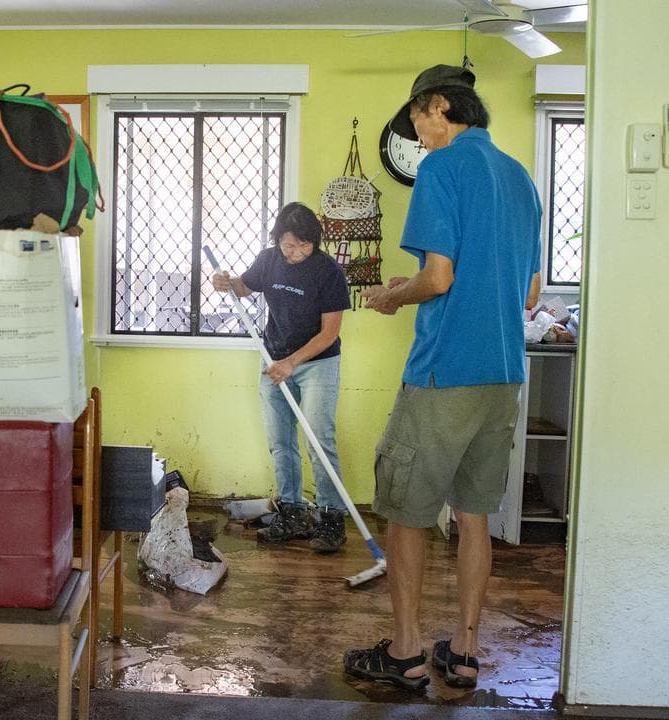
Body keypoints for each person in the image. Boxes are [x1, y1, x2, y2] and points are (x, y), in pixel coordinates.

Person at [342, 64, 541, 691]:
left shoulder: (443, 168)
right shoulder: (520, 177)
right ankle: (464, 650)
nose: (418, 136)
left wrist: (394, 296)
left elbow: (439, 277)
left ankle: (403, 653)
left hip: (443, 373)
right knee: (475, 514)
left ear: (438, 107)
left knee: (407, 512)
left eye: (418, 122)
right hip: (504, 374)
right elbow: (532, 290)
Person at [211, 202, 353, 553]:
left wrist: (292, 362)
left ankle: (332, 518)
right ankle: (291, 512)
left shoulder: (328, 271)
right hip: (274, 358)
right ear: (278, 240)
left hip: (317, 362)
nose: (297, 252)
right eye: (290, 245)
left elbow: (329, 333)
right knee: (281, 440)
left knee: (320, 439)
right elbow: (245, 287)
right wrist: (227, 283)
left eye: (305, 245)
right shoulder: (269, 259)